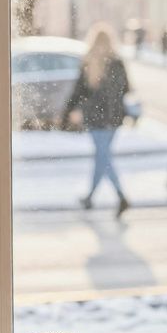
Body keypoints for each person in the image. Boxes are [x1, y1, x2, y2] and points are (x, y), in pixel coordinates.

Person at [62, 22, 132, 219]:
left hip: (96, 118)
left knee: (103, 157)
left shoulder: (88, 62)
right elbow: (126, 89)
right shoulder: (117, 63)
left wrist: (69, 111)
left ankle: (121, 197)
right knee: (102, 157)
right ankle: (91, 197)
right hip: (114, 118)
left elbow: (79, 91)